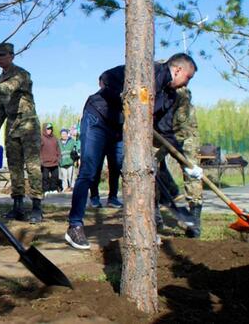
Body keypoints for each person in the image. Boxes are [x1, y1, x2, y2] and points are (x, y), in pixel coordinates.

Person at [65, 53, 202, 250]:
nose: (186, 84)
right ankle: (75, 225)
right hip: (98, 117)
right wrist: (124, 97)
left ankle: (145, 228)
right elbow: (106, 77)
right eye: (188, 78)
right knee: (89, 170)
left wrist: (188, 165)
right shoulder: (148, 70)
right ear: (178, 70)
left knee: (138, 171)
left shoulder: (170, 96)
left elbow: (166, 132)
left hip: (119, 129)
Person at [0, 42, 43, 224]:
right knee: (14, 166)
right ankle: (17, 206)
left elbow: (8, 88)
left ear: (11, 55)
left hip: (27, 123)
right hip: (11, 125)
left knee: (32, 166)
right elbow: (0, 106)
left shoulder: (21, 74)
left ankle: (36, 208)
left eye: (2, 55)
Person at [154, 86, 202, 237]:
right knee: (147, 171)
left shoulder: (181, 93)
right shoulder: (150, 86)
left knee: (192, 173)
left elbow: (181, 128)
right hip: (157, 135)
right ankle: (155, 218)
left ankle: (193, 222)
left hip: (185, 134)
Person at [40, 122, 61, 195]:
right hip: (45, 163)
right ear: (44, 129)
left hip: (54, 162)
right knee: (45, 177)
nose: (49, 130)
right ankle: (46, 190)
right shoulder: (41, 138)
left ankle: (54, 189)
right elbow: (38, 150)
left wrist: (59, 158)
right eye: (48, 129)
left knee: (55, 177)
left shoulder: (54, 138)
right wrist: (41, 160)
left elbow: (58, 149)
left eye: (50, 129)